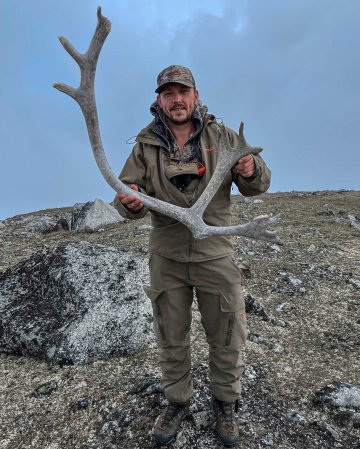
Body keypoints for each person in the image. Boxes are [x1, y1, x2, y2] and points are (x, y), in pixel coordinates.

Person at [114, 65, 271, 447]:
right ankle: (177, 401)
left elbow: (259, 185)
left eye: (183, 92)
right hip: (166, 257)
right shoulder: (145, 145)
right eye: (169, 93)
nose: (177, 99)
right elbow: (126, 193)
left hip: (215, 253)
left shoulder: (223, 136)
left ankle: (225, 402)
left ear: (195, 96)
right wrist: (129, 202)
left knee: (228, 334)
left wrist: (250, 169)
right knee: (171, 335)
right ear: (159, 100)